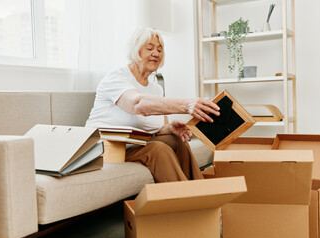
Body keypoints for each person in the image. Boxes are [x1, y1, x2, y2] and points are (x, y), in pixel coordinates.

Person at [86, 28, 220, 183]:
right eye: (149, 48)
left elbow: (158, 130)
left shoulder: (156, 88)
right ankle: (185, 202)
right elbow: (137, 104)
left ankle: (202, 194)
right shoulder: (117, 77)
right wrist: (187, 105)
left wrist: (170, 129)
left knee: (175, 141)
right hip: (106, 147)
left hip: (135, 146)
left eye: (159, 49)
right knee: (158, 150)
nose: (155, 53)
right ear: (135, 50)